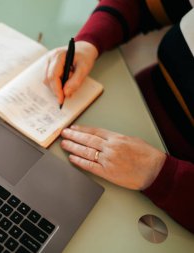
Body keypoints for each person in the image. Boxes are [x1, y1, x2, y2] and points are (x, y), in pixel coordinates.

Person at [44, 0, 194, 233]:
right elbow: (142, 4)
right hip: (135, 102)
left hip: (171, 193)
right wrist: (89, 43)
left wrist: (162, 175)